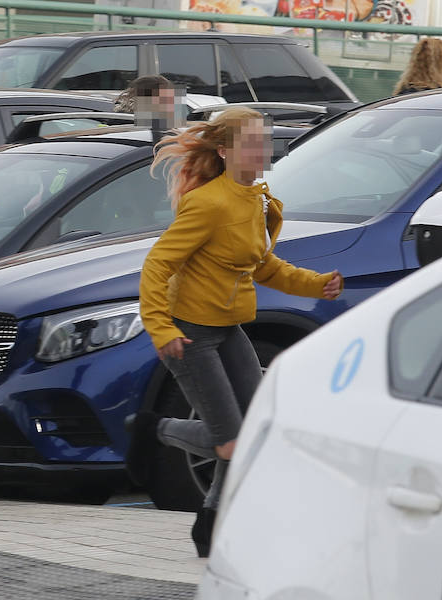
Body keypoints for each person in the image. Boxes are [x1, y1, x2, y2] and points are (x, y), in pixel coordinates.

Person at [125, 107, 344, 556]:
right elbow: (157, 265)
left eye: (263, 141)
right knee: (230, 443)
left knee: (256, 430)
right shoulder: (209, 204)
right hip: (189, 335)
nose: (260, 149)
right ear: (224, 152)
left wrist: (317, 285)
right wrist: (161, 328)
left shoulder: (256, 199)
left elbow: (263, 266)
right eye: (250, 142)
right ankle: (152, 428)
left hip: (228, 330)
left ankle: (211, 521)